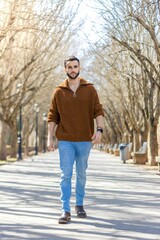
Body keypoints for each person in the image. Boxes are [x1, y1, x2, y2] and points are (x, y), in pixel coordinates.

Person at [47, 56, 104, 224]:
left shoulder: (90, 89)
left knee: (81, 173)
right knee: (66, 174)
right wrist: (50, 138)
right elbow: (52, 117)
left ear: (79, 68)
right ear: (65, 69)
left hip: (85, 140)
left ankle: (79, 204)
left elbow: (98, 111)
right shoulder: (58, 91)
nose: (72, 69)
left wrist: (99, 130)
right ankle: (65, 210)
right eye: (69, 67)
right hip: (65, 140)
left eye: (75, 66)